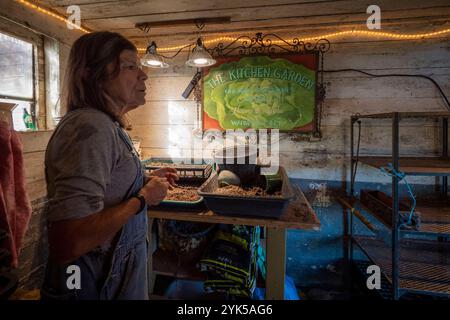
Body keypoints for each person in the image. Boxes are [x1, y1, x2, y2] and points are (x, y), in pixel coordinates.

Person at [41, 31, 178, 300]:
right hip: (88, 285)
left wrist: (144, 179)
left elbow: (108, 189)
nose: (143, 75)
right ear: (91, 75)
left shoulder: (107, 125)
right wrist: (142, 198)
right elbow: (69, 240)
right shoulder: (90, 127)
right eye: (129, 66)